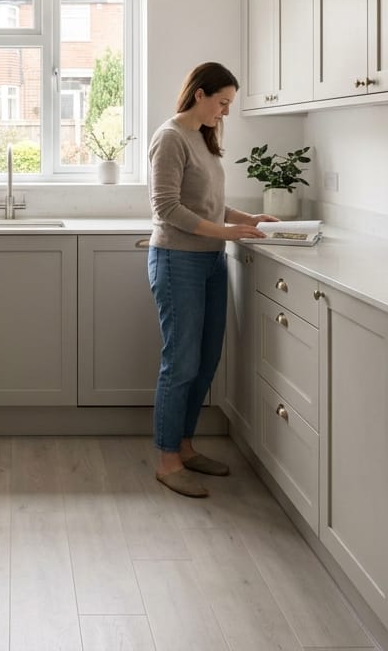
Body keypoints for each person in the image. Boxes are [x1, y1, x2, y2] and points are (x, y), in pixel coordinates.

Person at [147, 61, 276, 498]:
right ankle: (167, 461)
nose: (224, 113)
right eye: (221, 103)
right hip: (176, 260)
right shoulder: (170, 138)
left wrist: (245, 218)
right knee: (180, 363)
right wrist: (225, 232)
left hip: (210, 261)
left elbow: (208, 204)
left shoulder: (204, 139)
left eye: (229, 106)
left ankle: (184, 447)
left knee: (205, 363)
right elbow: (167, 208)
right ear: (199, 94)